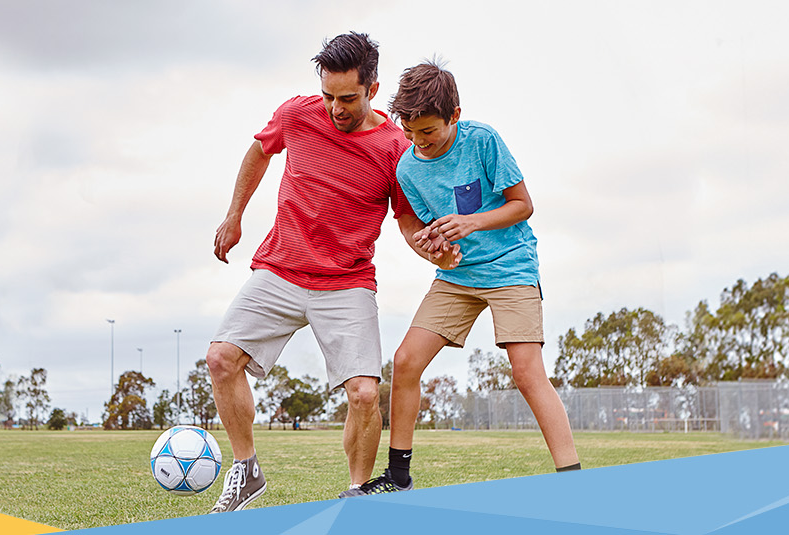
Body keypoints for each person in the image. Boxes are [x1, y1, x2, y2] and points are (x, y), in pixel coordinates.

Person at [205, 33, 459, 513]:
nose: (336, 108)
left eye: (348, 98)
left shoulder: (394, 149)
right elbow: (259, 152)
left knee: (365, 393)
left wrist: (432, 251)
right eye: (328, 96)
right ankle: (247, 471)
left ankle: (358, 494)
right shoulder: (297, 114)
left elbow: (406, 222)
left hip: (346, 282)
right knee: (220, 358)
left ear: (373, 89)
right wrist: (234, 214)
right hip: (280, 268)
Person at [347, 60, 580, 496]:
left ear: (454, 115)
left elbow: (523, 205)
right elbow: (424, 232)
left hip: (511, 266)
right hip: (457, 278)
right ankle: (398, 479)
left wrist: (472, 224)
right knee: (405, 362)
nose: (420, 143)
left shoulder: (483, 140)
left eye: (429, 132)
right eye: (411, 132)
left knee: (527, 372)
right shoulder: (407, 168)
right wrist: (438, 249)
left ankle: (572, 479)